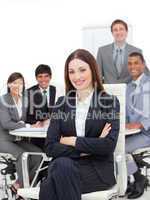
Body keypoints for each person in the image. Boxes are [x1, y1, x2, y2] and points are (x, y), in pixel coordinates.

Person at [39, 49, 120, 200]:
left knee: (52, 182)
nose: (77, 77)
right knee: (62, 167)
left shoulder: (109, 102)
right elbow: (50, 146)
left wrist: (71, 140)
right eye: (71, 72)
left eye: (82, 70)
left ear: (93, 70)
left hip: (96, 170)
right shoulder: (61, 103)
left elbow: (108, 145)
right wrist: (89, 148)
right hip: (65, 166)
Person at [0, 72, 42, 194]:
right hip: (4, 140)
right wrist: (27, 125)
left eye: (20, 83)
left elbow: (24, 119)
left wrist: (37, 123)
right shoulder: (3, 100)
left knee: (39, 155)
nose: (17, 85)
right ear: (9, 84)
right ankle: (23, 191)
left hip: (18, 139)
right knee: (23, 154)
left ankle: (20, 185)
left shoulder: (24, 100)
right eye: (14, 82)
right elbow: (6, 123)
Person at [125, 52, 150, 199]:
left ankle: (138, 178)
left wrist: (140, 124)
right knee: (113, 144)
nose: (132, 66)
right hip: (132, 133)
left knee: (119, 149)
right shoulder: (128, 87)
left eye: (136, 63)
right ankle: (127, 180)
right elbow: (127, 114)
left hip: (147, 132)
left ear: (143, 64)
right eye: (130, 63)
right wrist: (124, 124)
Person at [97, 19, 149, 84]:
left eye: (121, 29)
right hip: (108, 91)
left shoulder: (136, 51)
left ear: (126, 32)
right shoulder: (102, 51)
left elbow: (146, 74)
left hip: (130, 91)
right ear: (112, 33)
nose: (118, 32)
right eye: (115, 30)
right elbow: (98, 75)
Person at [26, 64, 56, 149]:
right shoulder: (29, 92)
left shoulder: (54, 90)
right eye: (40, 76)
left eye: (46, 76)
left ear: (50, 77)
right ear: (36, 78)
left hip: (52, 132)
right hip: (37, 133)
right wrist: (40, 122)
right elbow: (26, 116)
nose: (43, 79)